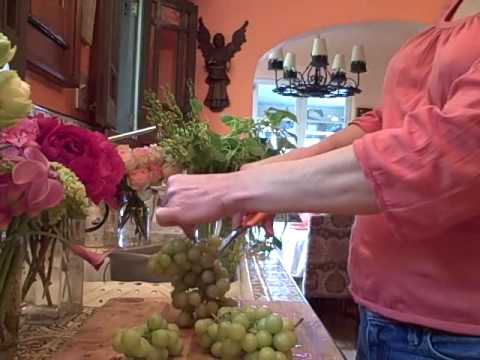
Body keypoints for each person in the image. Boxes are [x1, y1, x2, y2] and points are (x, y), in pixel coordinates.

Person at [156, 0, 480, 358]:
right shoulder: (455, 8)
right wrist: (259, 176)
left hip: (456, 337)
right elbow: (389, 123)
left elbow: (442, 155)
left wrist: (231, 190)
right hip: (381, 314)